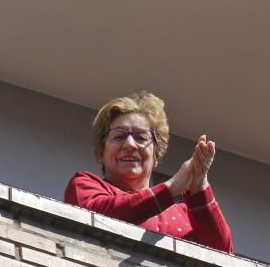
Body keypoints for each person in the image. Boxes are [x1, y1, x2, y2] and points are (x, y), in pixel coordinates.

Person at [64, 92, 233, 253]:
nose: (130, 144)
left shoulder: (184, 212)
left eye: (141, 137)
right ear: (102, 152)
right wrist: (170, 188)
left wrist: (199, 184)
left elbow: (222, 257)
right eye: (119, 136)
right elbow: (96, 219)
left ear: (156, 156)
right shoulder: (85, 185)